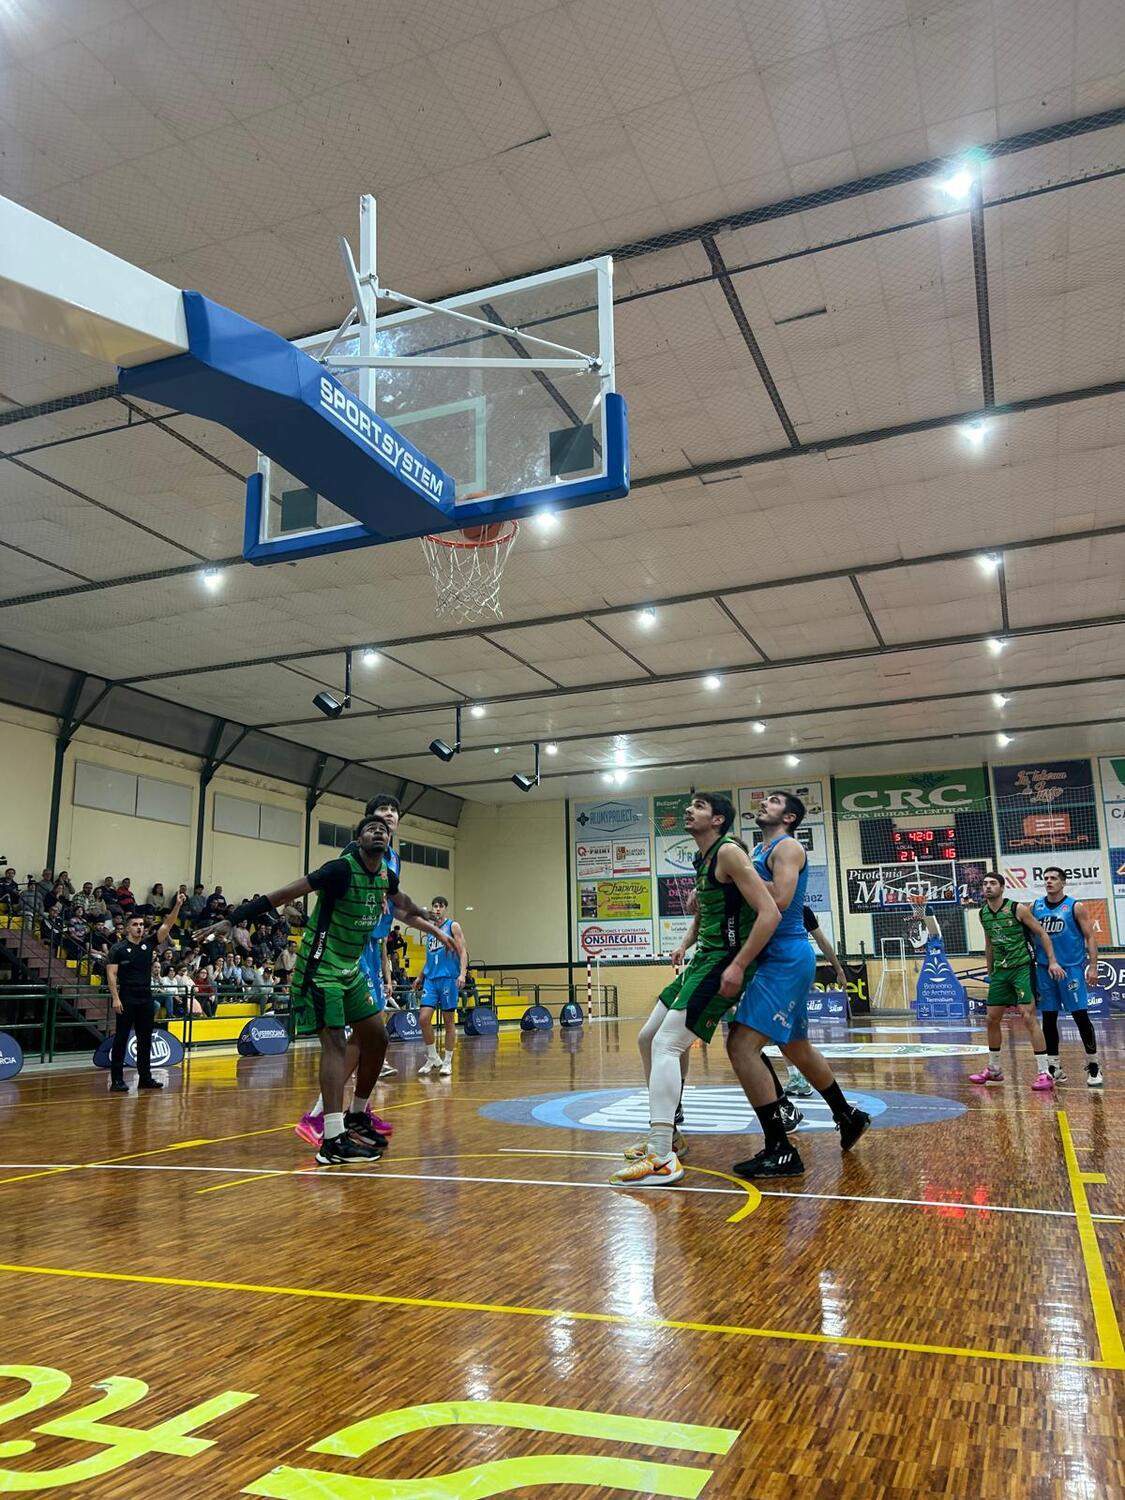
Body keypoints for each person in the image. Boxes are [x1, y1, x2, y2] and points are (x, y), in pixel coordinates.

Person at [212, 812, 455, 1165]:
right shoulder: (339, 869)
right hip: (319, 968)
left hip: (350, 969)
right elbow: (284, 894)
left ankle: (357, 1115)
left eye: (385, 830)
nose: (379, 832)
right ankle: (331, 1139)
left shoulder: (386, 874)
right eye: (371, 828)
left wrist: (429, 919)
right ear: (358, 840)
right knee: (337, 1044)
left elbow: (402, 903)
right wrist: (233, 917)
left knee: (377, 1038)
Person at [610, 792, 781, 1188]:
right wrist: (686, 943)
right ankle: (668, 1132)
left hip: (724, 960)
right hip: (703, 958)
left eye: (700, 806)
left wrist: (739, 964)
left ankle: (661, 1156)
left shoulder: (729, 853)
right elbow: (706, 910)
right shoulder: (702, 859)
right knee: (647, 1037)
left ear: (718, 820)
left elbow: (769, 912)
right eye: (690, 805)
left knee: (667, 1045)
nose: (689, 810)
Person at [725, 793, 872, 1180]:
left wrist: (740, 874)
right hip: (774, 958)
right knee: (795, 1047)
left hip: (785, 958)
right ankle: (848, 1115)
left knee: (741, 1045)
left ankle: (780, 1148)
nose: (763, 803)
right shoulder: (761, 848)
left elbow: (779, 898)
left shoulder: (787, 847)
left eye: (772, 801)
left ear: (789, 816)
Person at [294, 793, 410, 1148]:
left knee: (372, 1037)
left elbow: (395, 908)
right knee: (357, 1037)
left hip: (371, 948)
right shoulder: (352, 857)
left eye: (393, 811)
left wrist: (432, 928)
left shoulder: (391, 861)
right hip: (344, 952)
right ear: (365, 824)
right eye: (380, 812)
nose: (388, 815)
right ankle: (320, 1116)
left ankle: (358, 1111)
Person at [968, 871, 1062, 1089]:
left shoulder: (1017, 908)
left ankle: (1044, 1072)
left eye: (992, 883)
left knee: (1028, 1016)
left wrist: (1052, 961)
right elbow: (989, 944)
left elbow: (1042, 934)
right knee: (991, 1018)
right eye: (985, 884)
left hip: (1022, 968)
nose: (988, 887)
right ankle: (994, 1069)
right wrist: (990, 970)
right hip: (1000, 972)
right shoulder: (983, 913)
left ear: (1002, 888)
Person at [1030, 867, 1104, 1089]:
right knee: (1049, 1018)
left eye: (1053, 878)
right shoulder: (1036, 907)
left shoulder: (1074, 906)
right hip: (1045, 969)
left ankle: (1093, 1064)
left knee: (1080, 1016)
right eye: (1046, 878)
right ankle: (1054, 1067)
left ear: (1063, 882)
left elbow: (1090, 936)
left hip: (1070, 969)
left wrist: (1093, 966)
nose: (1049, 881)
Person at [106, 892, 185, 1092]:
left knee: (145, 1040)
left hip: (145, 997)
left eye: (141, 924)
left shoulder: (148, 943)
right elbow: (111, 975)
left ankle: (145, 1078)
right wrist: (115, 998)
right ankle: (117, 1079)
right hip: (126, 997)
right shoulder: (118, 949)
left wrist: (177, 904)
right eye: (135, 924)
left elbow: (167, 926)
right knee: (122, 1039)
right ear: (126, 928)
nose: (140, 927)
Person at [781, 905, 850, 1099]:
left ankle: (802, 1078)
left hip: (791, 968)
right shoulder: (769, 903)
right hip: (787, 967)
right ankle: (796, 1077)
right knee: (785, 1030)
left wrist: (839, 969)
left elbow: (822, 941)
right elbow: (821, 941)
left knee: (786, 1029)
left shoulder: (800, 910)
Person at [416, 897, 468, 1078]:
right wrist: (420, 976)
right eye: (435, 906)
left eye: (440, 906)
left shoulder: (453, 926)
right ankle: (432, 1057)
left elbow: (463, 952)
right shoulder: (431, 932)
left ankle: (447, 1061)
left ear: (445, 909)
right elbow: (430, 958)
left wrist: (462, 974)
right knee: (423, 1019)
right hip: (431, 979)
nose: (437, 909)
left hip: (448, 978)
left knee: (448, 1022)